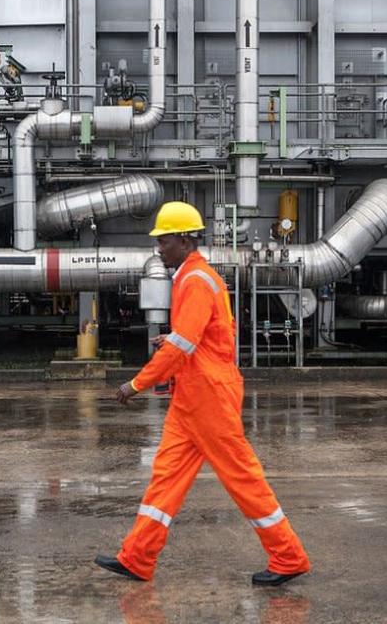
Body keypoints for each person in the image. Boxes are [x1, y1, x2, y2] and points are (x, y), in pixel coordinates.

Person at [94, 201, 311, 586]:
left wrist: (136, 384)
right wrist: (173, 341)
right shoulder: (196, 277)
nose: (158, 248)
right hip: (193, 397)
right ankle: (137, 558)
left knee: (242, 478)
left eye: (163, 241)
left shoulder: (195, 280)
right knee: (166, 477)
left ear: (184, 239)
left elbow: (182, 348)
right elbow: (207, 335)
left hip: (208, 396)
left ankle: (288, 556)